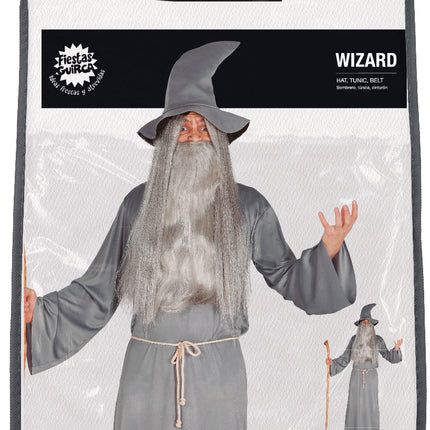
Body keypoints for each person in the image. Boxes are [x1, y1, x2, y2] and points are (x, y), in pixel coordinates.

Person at [24, 40, 358, 430]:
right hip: (147, 373)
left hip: (219, 376)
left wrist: (329, 249)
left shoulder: (248, 205)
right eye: (183, 127)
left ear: (218, 137)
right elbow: (99, 288)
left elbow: (284, 274)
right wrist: (39, 313)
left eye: (203, 127)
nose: (195, 136)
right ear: (166, 139)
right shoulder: (138, 204)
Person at [326, 303, 403, 429]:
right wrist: (332, 363)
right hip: (356, 376)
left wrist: (396, 350)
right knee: (355, 405)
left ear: (372, 325)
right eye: (364, 322)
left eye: (368, 322)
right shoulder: (354, 340)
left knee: (370, 405)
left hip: (371, 377)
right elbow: (345, 358)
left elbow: (388, 356)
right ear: (360, 325)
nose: (366, 324)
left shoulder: (378, 340)